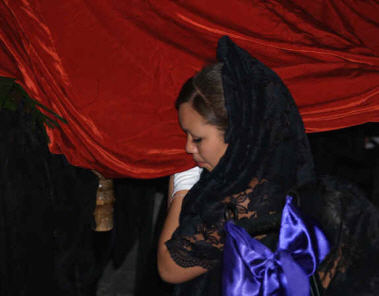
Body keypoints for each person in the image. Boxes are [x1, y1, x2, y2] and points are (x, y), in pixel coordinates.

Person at [157, 36, 379, 295]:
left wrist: (181, 189)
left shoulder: (235, 206)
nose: (188, 148)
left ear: (236, 136)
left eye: (197, 138)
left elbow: (169, 268)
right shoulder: (290, 174)